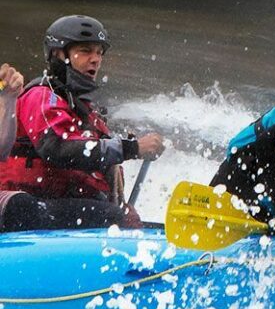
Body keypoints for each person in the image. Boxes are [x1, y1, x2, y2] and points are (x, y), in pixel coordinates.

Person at [0, 15, 164, 230]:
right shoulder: (40, 96)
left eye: (99, 53)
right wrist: (132, 147)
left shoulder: (89, 115)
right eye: (85, 51)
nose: (96, 59)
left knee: (121, 216)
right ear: (59, 54)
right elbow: (57, 148)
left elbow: (101, 160)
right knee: (108, 215)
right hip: (18, 210)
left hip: (59, 207)